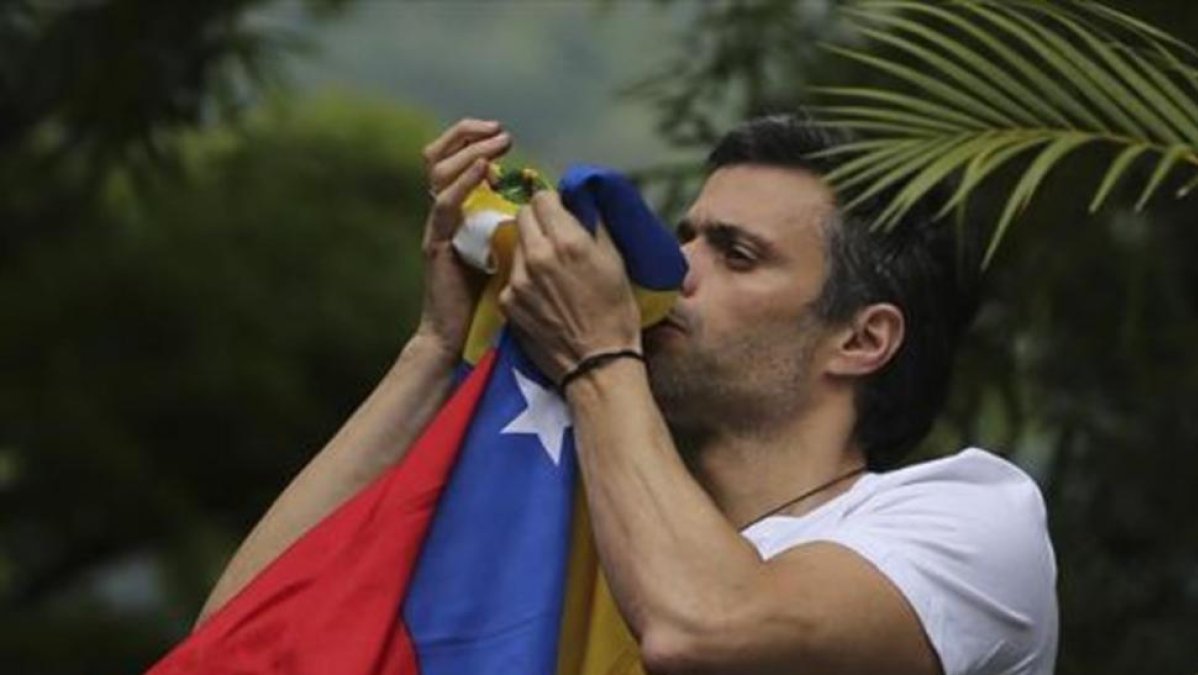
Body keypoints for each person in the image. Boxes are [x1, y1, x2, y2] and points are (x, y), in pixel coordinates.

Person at [198, 116, 1058, 674]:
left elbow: (706, 627)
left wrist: (601, 355)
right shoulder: (590, 515)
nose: (672, 270)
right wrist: (433, 350)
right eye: (683, 235)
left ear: (862, 339)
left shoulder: (967, 519)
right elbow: (244, 632)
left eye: (737, 254)